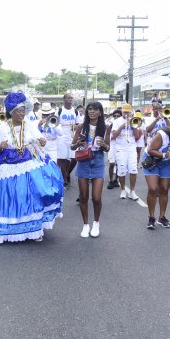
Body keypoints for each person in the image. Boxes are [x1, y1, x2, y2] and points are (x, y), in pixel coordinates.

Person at [0, 92, 64, 244]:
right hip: (9, 163)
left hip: (28, 161)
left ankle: (35, 229)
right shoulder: (3, 127)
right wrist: (0, 146)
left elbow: (40, 140)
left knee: (31, 194)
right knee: (13, 196)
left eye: (23, 110)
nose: (21, 113)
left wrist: (42, 141)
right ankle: (8, 229)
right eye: (18, 111)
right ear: (11, 112)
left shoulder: (29, 125)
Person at [70, 102, 110, 238]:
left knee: (97, 197)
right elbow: (72, 147)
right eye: (90, 109)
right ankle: (85, 225)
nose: (92, 112)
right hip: (83, 162)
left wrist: (104, 144)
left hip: (98, 161)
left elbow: (108, 148)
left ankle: (96, 223)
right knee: (83, 197)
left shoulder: (105, 127)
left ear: (100, 112)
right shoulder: (81, 126)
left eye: (95, 109)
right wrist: (78, 144)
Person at [142, 127, 170, 229]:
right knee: (153, 189)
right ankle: (151, 218)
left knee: (164, 189)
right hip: (151, 160)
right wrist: (166, 155)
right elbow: (151, 150)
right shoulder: (162, 135)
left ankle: (162, 217)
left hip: (165, 163)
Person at [112, 103, 140, 200]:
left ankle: (132, 191)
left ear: (131, 111)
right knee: (121, 170)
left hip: (131, 148)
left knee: (133, 169)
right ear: (122, 111)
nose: (126, 114)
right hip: (120, 148)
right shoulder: (117, 121)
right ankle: (123, 190)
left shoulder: (134, 121)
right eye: (124, 112)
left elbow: (137, 136)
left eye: (128, 112)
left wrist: (133, 125)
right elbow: (114, 136)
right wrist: (123, 125)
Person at [57, 93, 79, 187]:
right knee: (63, 158)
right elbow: (55, 123)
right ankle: (64, 179)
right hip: (61, 136)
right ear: (64, 99)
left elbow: (78, 124)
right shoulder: (59, 110)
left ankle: (67, 173)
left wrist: (75, 127)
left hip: (72, 136)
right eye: (68, 98)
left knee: (74, 158)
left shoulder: (75, 111)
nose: (70, 99)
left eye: (71, 98)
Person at [106, 109, 121, 189]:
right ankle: (111, 180)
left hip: (120, 146)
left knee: (118, 164)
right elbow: (108, 135)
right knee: (112, 163)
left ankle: (116, 180)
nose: (116, 117)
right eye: (115, 116)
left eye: (118, 116)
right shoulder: (110, 125)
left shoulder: (123, 124)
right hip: (112, 145)